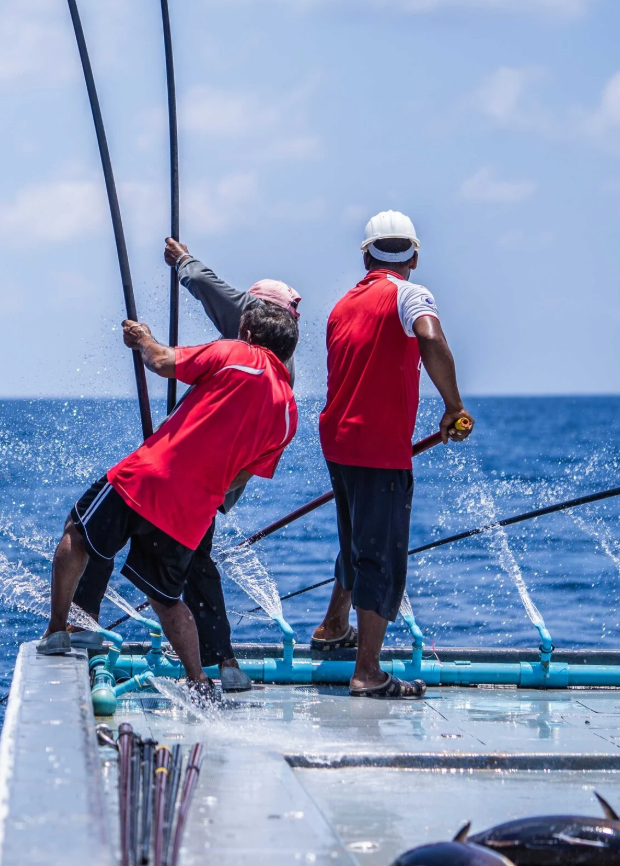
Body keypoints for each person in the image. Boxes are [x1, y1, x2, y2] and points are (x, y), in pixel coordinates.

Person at [69, 240, 301, 693]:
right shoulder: (278, 369)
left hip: (183, 476)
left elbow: (212, 297)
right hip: (213, 482)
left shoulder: (243, 347)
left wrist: (183, 264)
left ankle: (81, 624)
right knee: (196, 561)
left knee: (98, 533)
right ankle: (224, 662)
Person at [310, 210, 473, 699]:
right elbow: (429, 336)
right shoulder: (410, 294)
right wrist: (454, 406)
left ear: (366, 255)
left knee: (359, 537)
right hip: (379, 451)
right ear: (415, 256)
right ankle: (368, 672)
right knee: (381, 556)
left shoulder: (342, 305)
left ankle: (333, 627)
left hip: (339, 444)